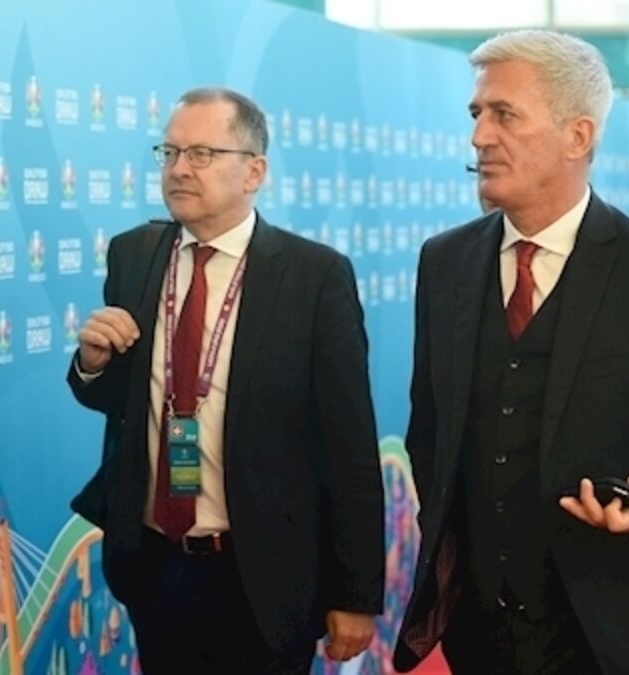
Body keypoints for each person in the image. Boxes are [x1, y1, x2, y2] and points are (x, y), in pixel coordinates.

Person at [393, 30, 629, 675]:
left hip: (621, 633)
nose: (479, 137)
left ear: (577, 136)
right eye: (476, 114)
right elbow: (432, 431)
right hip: (481, 632)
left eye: (504, 115)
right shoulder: (444, 262)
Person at [67, 87, 385, 674]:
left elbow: (349, 448)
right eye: (169, 152)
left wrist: (356, 594)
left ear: (254, 172)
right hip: (155, 565)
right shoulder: (133, 255)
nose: (179, 169)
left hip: (262, 574)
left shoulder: (313, 276)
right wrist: (92, 362)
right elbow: (120, 401)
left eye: (202, 154)